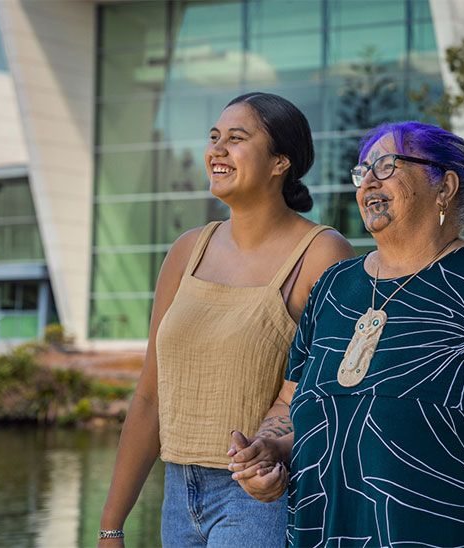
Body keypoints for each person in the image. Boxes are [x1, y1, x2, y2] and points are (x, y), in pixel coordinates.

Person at [230, 121, 464, 547]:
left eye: (386, 165)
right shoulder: (332, 289)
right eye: (362, 172)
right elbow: (290, 401)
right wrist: (270, 452)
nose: (368, 182)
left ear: (445, 185)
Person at [96, 92, 355, 547]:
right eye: (214, 137)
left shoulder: (321, 253)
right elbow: (150, 398)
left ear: (280, 162)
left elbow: (329, 398)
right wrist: (111, 526)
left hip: (261, 498)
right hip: (177, 494)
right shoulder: (186, 250)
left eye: (236, 138)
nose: (217, 149)